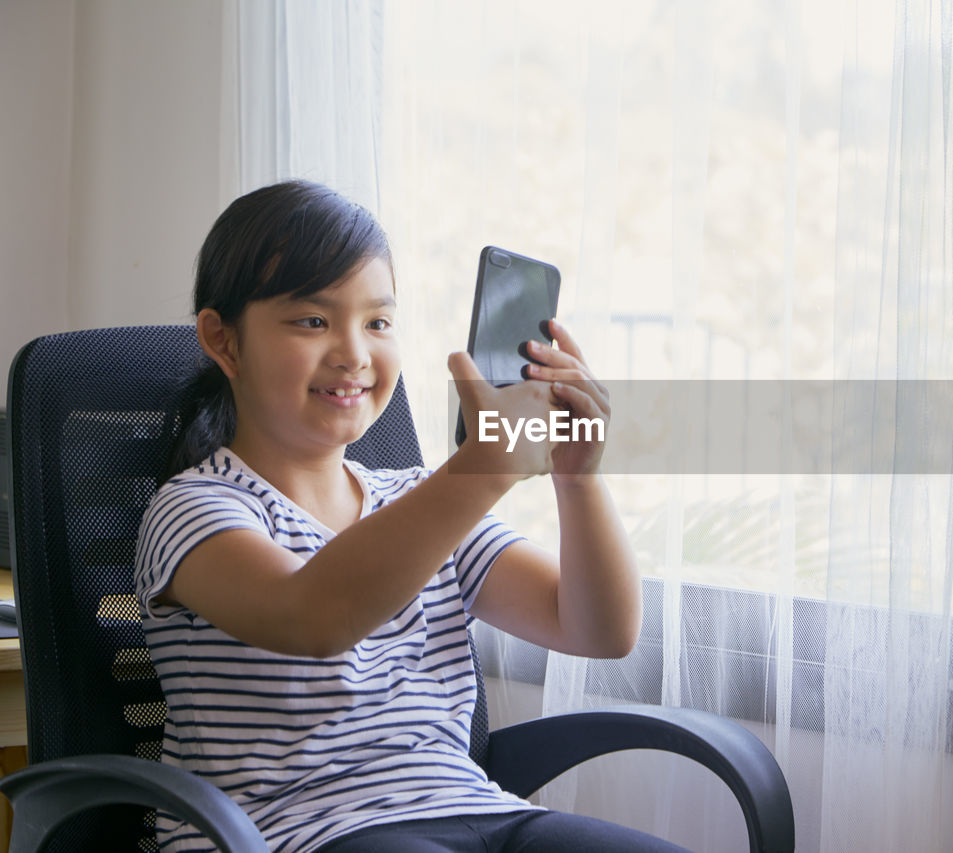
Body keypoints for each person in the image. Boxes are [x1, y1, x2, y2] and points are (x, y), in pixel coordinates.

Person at [134, 180, 686, 853]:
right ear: (223, 341)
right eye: (313, 320)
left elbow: (597, 628)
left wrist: (578, 479)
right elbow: (314, 617)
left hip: (473, 809)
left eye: (378, 321)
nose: (354, 353)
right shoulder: (193, 509)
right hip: (297, 832)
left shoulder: (416, 498)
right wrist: (481, 470)